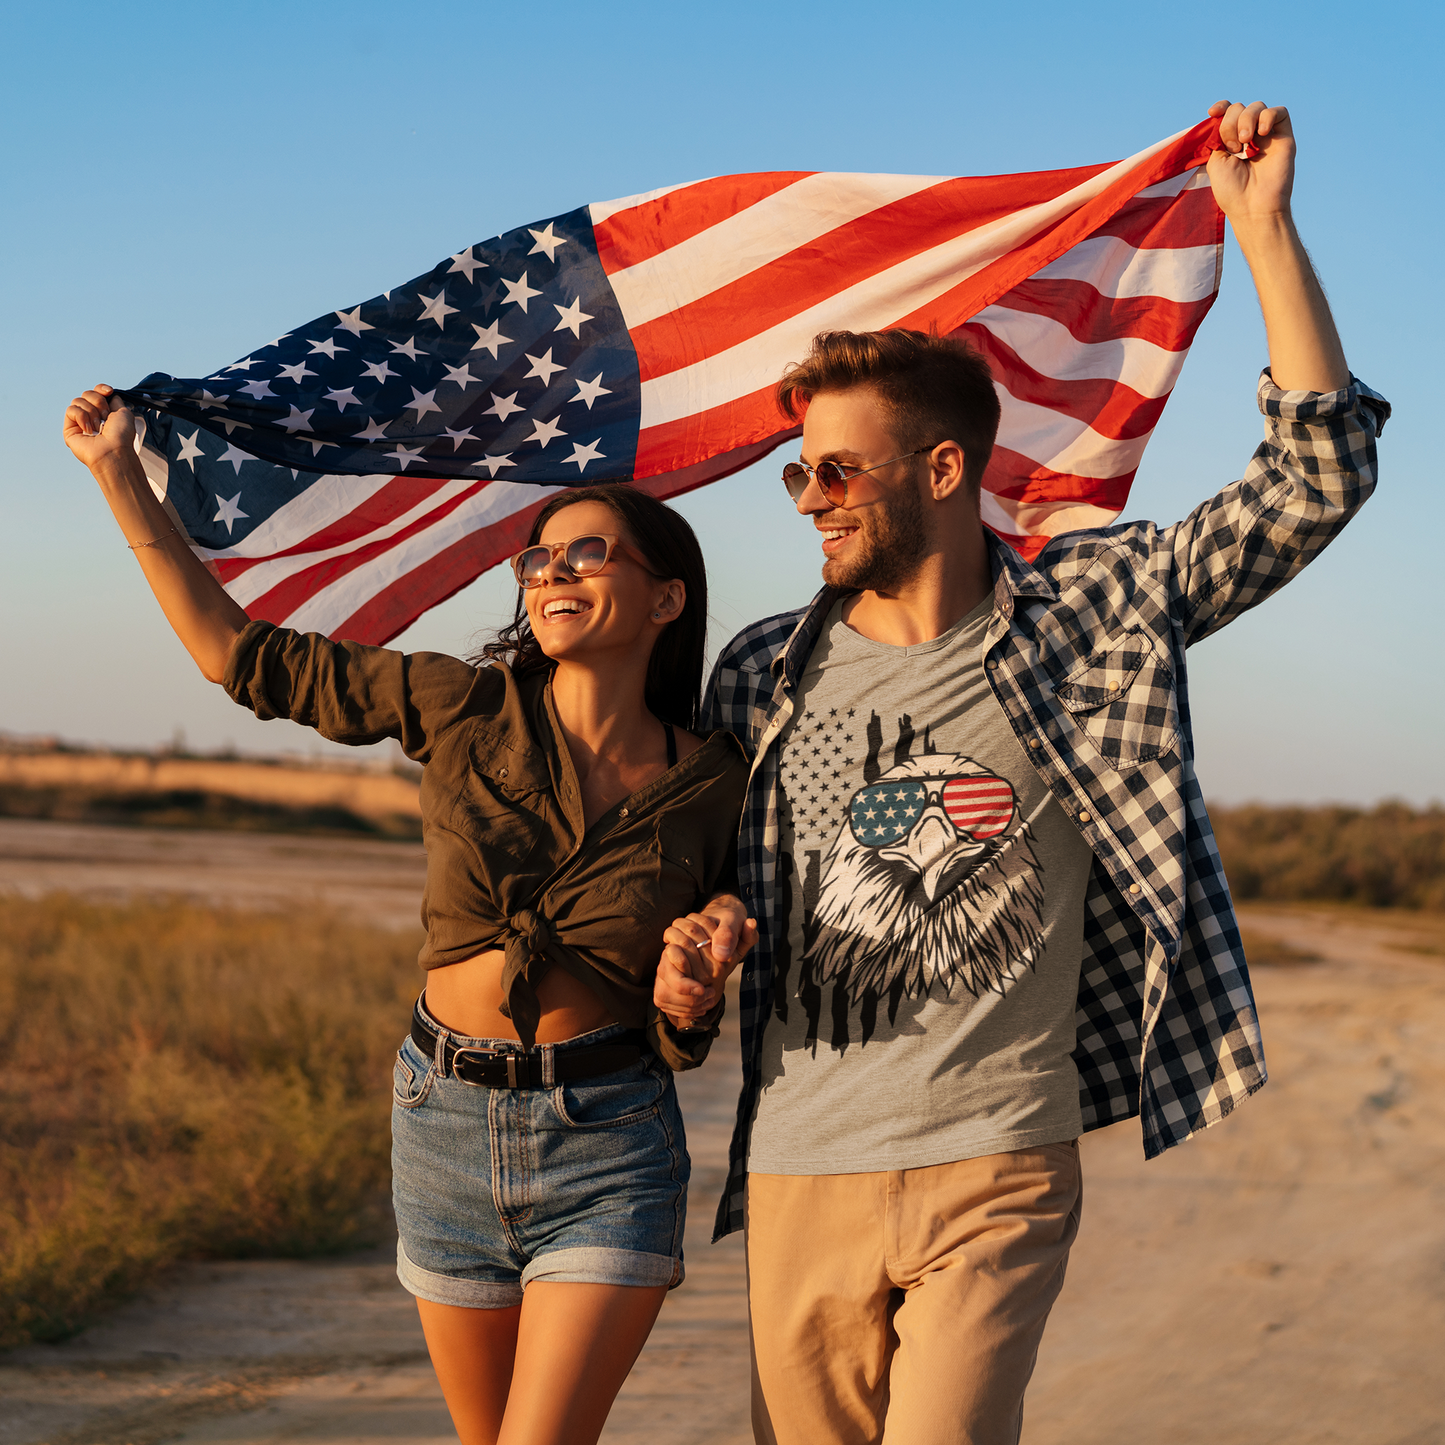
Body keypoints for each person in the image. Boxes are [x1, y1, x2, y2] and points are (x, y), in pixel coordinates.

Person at [678, 99, 1391, 1443]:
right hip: (798, 1165)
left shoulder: (1088, 612)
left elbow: (1314, 479)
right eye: (796, 476)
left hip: (995, 1157)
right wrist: (698, 947)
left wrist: (1263, 231)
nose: (811, 495)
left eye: (837, 470)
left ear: (943, 468)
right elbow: (716, 894)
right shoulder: (756, 673)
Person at [57, 393, 754, 1445]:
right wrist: (117, 473)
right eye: (538, 558)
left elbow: (683, 1017)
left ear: (665, 598)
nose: (551, 572)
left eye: (587, 552)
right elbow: (235, 655)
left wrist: (691, 990)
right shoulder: (462, 704)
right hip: (441, 1122)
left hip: (607, 1137)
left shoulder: (712, 782)